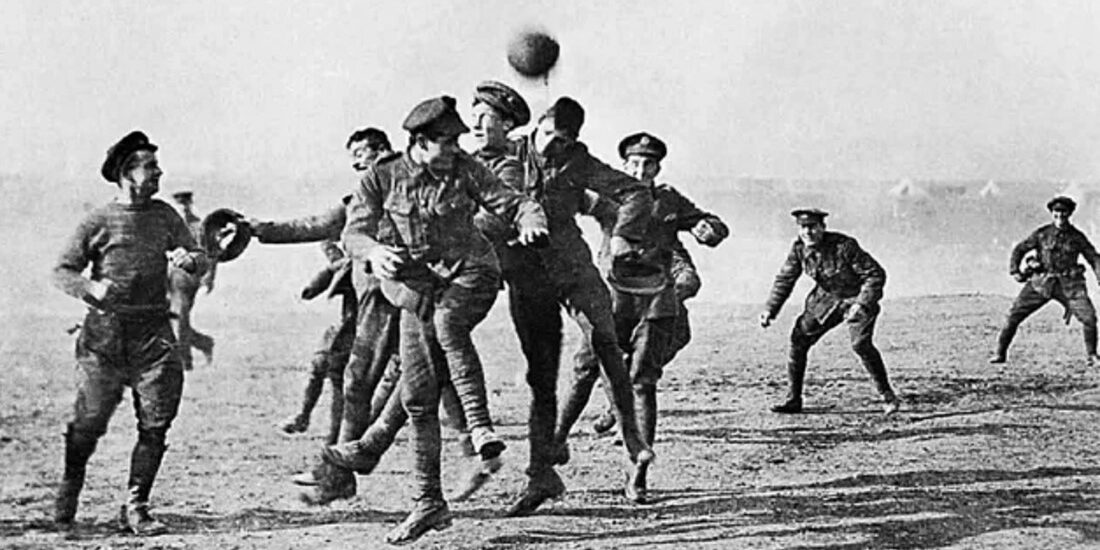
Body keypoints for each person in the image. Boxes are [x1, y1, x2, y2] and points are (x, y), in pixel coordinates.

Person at [341, 96, 548, 544]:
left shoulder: (466, 169)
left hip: (472, 274)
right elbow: (352, 233)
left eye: (458, 139)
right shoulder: (381, 177)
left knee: (447, 327)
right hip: (418, 289)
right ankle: (428, 502)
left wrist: (532, 221)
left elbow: (513, 203)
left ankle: (479, 427)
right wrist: (373, 252)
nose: (456, 147)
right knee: (418, 397)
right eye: (446, 141)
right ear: (419, 142)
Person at [554, 132, 728, 503]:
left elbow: (710, 223)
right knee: (584, 369)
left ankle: (638, 475)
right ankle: (556, 440)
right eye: (633, 163)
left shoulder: (667, 199)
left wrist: (708, 230)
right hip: (611, 300)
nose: (641, 169)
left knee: (642, 382)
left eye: (648, 164)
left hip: (654, 303)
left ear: (657, 168)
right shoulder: (608, 197)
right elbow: (563, 202)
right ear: (623, 166)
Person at [502, 97, 655, 517]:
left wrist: (623, 234)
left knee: (606, 342)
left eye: (564, 140)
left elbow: (635, 192)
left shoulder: (578, 160)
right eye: (550, 136)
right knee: (541, 375)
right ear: (538, 126)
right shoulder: (508, 152)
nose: (554, 147)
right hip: (527, 274)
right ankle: (540, 475)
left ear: (575, 140)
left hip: (572, 266)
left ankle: (635, 442)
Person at [51, 131, 208, 534]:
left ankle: (136, 505)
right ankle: (71, 485)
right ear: (127, 173)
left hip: (153, 333)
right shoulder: (97, 220)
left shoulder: (166, 215)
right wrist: (90, 288)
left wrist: (188, 259)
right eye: (151, 167)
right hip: (103, 337)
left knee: (156, 422)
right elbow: (62, 270)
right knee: (89, 422)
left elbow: (198, 258)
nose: (160, 173)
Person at [271, 127, 393, 442]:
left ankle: (473, 440)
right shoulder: (359, 198)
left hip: (395, 294)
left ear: (379, 149)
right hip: (361, 298)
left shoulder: (405, 185)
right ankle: (335, 444)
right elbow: (319, 227)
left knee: (391, 373)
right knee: (339, 368)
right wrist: (259, 230)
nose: (355, 165)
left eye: (360, 155)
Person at [759, 208, 900, 415]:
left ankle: (887, 396)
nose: (808, 232)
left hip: (856, 295)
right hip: (825, 299)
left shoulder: (844, 246)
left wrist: (861, 304)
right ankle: (793, 400)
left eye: (813, 227)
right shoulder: (799, 249)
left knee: (860, 344)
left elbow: (875, 275)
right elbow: (785, 279)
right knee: (798, 339)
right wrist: (770, 309)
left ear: (822, 228)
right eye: (803, 228)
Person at [990, 196, 1100, 365]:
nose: (1060, 216)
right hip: (1040, 284)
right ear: (1052, 213)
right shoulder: (1042, 234)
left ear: (1069, 214)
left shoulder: (1077, 237)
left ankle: (1092, 355)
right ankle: (1000, 353)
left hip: (1070, 286)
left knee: (1089, 318)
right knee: (1013, 316)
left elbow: (1093, 257)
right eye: (1056, 212)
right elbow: (1020, 249)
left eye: (1063, 212)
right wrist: (1015, 271)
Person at [167, 190, 216, 370]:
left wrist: (208, 279)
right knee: (169, 318)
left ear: (190, 204)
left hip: (188, 278)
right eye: (179, 205)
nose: (183, 208)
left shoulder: (199, 226)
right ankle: (203, 343)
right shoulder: (171, 226)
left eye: (185, 204)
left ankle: (183, 362)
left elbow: (211, 255)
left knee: (179, 316)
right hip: (167, 277)